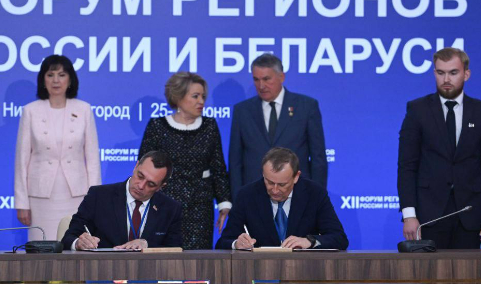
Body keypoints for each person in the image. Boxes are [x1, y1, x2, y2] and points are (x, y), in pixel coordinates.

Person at [398, 47, 481, 249]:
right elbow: (407, 167)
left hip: (471, 215)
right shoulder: (417, 110)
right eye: (440, 72)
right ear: (434, 73)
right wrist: (409, 215)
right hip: (428, 216)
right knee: (429, 270)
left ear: (466, 74)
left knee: (467, 270)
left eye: (453, 72)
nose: (446, 79)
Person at [139, 72, 231, 250]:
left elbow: (218, 167)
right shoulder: (157, 126)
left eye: (203, 96)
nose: (201, 101)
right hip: (165, 204)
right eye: (195, 96)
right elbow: (145, 168)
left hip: (200, 207)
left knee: (199, 260)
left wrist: (224, 203)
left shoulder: (210, 126)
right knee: (166, 256)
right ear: (178, 97)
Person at [14, 55, 101, 241]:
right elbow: (21, 160)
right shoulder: (30, 111)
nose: (56, 80)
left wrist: (95, 200)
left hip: (77, 196)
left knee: (75, 245)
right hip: (40, 198)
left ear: (70, 79)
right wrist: (22, 202)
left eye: (61, 75)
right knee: (42, 247)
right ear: (42, 79)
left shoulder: (84, 109)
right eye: (50, 75)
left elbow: (93, 159)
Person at [229, 53, 327, 200]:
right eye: (256, 79)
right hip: (254, 196)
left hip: (297, 194)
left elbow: (318, 158)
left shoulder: (306, 107)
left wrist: (317, 198)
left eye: (266, 79)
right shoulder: (242, 111)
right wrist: (238, 199)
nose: (261, 86)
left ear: (281, 77)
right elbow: (235, 162)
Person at [216, 147, 348, 250]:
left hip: (303, 271)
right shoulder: (247, 195)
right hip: (260, 271)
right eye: (269, 182)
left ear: (296, 177)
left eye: (282, 185)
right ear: (263, 174)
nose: (274, 190)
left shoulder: (314, 193)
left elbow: (339, 238)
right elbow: (223, 242)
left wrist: (309, 241)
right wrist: (236, 244)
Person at [62, 150, 182, 250]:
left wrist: (147, 245)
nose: (141, 186)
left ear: (161, 186)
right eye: (140, 176)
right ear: (136, 166)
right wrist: (78, 243)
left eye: (150, 184)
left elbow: (176, 249)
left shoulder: (171, 208)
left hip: (149, 270)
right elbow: (69, 237)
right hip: (104, 269)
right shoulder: (98, 196)